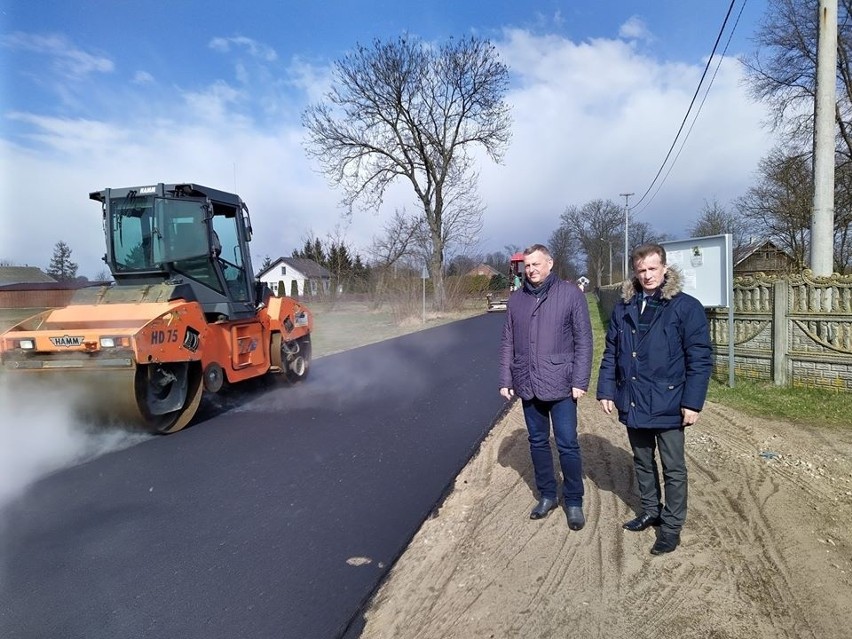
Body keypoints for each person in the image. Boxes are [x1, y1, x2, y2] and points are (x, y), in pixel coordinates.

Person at [597, 243, 712, 555]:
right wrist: (607, 389)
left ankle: (671, 526)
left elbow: (700, 359)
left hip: (670, 402)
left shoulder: (685, 307)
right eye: (641, 270)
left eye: (652, 269)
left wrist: (693, 402)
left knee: (673, 467)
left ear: (664, 268)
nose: (647, 276)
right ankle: (650, 510)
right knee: (642, 460)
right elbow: (612, 351)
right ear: (635, 272)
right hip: (634, 397)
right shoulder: (624, 307)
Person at [499, 244, 593, 530]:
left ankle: (574, 500)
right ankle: (548, 495)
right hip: (528, 383)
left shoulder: (570, 295)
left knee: (567, 444)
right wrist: (505, 378)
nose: (532, 270)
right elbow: (508, 342)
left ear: (550, 264)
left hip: (562, 384)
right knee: (537, 442)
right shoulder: (517, 300)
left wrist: (579, 380)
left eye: (536, 264)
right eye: (528, 266)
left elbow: (584, 340)